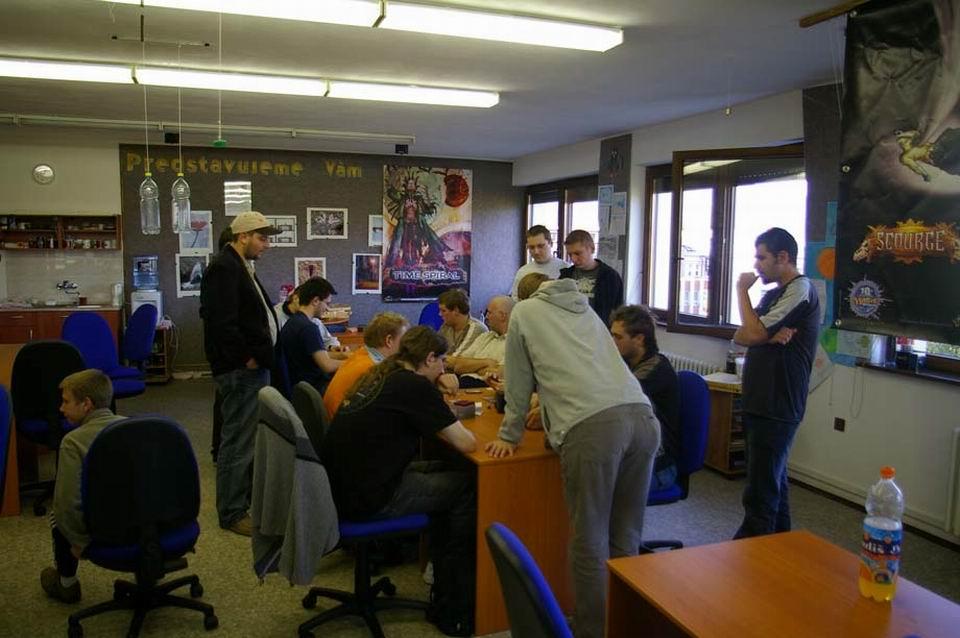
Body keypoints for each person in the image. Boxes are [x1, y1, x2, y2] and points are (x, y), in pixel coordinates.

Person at [485, 278, 660, 638]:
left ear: (525, 295)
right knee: (626, 534)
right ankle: (622, 625)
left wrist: (509, 435)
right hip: (642, 417)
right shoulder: (586, 310)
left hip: (595, 429)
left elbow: (518, 380)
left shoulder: (525, 312)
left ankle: (591, 631)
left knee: (589, 541)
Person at [321, 326, 478, 636]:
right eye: (442, 362)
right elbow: (467, 443)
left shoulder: (383, 373)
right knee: (467, 486)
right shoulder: (412, 386)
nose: (443, 369)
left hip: (344, 486)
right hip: (371, 498)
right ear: (429, 358)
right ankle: (451, 595)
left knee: (443, 466)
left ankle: (435, 568)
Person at [733, 227, 819, 539]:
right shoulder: (774, 294)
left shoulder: (800, 289)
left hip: (778, 403)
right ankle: (781, 548)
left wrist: (741, 291)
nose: (756, 265)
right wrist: (766, 337)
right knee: (774, 483)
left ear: (783, 257)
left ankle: (747, 555)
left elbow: (754, 332)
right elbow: (741, 335)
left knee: (760, 492)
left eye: (762, 258)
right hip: (760, 400)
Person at [200, 211, 281, 536]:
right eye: (262, 238)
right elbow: (221, 323)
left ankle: (241, 501)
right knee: (238, 442)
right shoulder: (224, 267)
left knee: (246, 439)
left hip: (249, 368)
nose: (266, 245)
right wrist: (246, 358)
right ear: (242, 236)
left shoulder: (239, 265)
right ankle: (232, 512)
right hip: (241, 371)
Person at [40, 369, 125, 603]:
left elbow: (66, 504)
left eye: (66, 401)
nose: (61, 408)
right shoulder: (137, 427)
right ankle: (147, 576)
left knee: (57, 514)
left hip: (101, 530)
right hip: (144, 526)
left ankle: (67, 584)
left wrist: (80, 542)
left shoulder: (73, 441)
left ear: (86, 404)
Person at [609, 305, 681, 491]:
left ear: (639, 339)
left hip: (659, 469)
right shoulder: (627, 362)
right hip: (635, 457)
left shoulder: (655, 370)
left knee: (594, 484)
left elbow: (612, 397)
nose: (611, 342)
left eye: (618, 337)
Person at [323, 311, 410, 419]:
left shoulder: (360, 354)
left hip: (335, 419)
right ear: (389, 340)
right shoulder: (374, 370)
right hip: (343, 423)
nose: (405, 346)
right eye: (403, 340)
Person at [278, 277, 342, 394]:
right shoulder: (308, 328)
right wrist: (354, 362)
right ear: (316, 301)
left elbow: (315, 355)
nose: (327, 308)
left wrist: (343, 356)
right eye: (327, 303)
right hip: (313, 388)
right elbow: (327, 365)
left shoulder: (293, 322)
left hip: (297, 386)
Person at [559, 229, 623, 327]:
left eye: (578, 253)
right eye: (570, 254)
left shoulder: (610, 277)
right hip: (570, 328)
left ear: (592, 249)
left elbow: (617, 311)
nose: (573, 259)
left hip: (599, 329)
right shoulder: (565, 276)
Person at [445, 295, 513, 388]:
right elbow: (458, 366)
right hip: (463, 381)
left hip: (484, 386)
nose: (486, 317)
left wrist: (472, 367)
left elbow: (498, 373)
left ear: (502, 316)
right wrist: (486, 362)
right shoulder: (485, 337)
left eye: (489, 312)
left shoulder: (514, 343)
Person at [509, 225, 567, 300]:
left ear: (551, 244)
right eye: (532, 247)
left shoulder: (565, 269)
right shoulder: (523, 272)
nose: (536, 252)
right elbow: (515, 299)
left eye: (540, 246)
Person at [436, 288, 487, 356]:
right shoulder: (446, 326)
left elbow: (458, 357)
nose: (440, 314)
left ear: (456, 311)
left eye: (443, 311)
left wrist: (437, 358)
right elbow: (435, 348)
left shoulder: (476, 328)